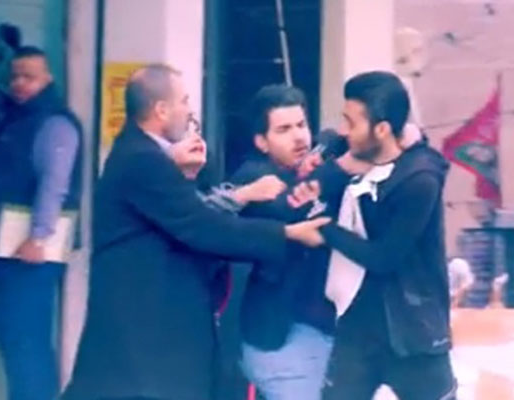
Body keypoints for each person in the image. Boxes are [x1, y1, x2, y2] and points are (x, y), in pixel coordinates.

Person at [62, 64, 330, 400]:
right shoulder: (143, 160)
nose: (189, 111)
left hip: (154, 333)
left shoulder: (147, 156)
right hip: (143, 327)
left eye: (301, 126)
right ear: (161, 110)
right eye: (184, 101)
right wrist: (286, 233)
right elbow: (202, 226)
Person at [292, 71, 456, 400]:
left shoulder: (418, 180)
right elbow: (331, 142)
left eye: (351, 123)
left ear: (382, 129)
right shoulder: (355, 154)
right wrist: (328, 162)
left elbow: (384, 257)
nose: (343, 130)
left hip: (412, 330)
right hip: (357, 327)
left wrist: (325, 229)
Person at [227, 85, 358, 400]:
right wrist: (335, 168)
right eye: (283, 130)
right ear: (261, 141)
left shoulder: (313, 165)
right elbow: (292, 207)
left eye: (301, 125)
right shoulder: (255, 177)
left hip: (323, 328)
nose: (298, 137)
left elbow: (333, 137)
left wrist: (327, 149)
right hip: (282, 334)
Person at [0, 46, 82, 400]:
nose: (19, 83)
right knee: (12, 335)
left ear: (47, 79)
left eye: (29, 77)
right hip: (10, 248)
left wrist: (38, 236)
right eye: (15, 76)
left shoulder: (53, 123)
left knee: (25, 339)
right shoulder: (18, 118)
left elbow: (54, 183)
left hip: (30, 252)